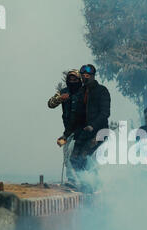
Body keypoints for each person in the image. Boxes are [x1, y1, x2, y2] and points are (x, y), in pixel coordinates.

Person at [69, 64, 111, 192]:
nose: (85, 78)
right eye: (83, 76)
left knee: (84, 156)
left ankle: (92, 185)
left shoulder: (102, 91)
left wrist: (93, 126)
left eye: (88, 76)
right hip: (83, 132)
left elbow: (105, 113)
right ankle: (85, 183)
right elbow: (76, 113)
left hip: (99, 131)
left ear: (93, 76)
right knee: (74, 158)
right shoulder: (81, 92)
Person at [47, 69, 83, 184]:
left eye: (75, 79)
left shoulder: (84, 92)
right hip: (68, 130)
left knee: (73, 153)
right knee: (67, 155)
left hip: (81, 130)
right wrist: (60, 98)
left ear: (79, 80)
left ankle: (76, 180)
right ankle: (72, 180)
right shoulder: (63, 92)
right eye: (70, 79)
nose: (72, 82)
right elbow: (50, 104)